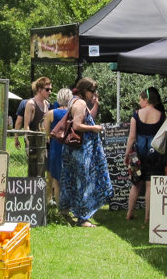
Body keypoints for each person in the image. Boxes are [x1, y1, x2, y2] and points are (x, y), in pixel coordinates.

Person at [60, 78, 113, 227]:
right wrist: (94, 129)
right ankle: (83, 218)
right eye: (92, 91)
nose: (94, 94)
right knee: (84, 181)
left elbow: (88, 118)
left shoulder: (74, 101)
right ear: (84, 90)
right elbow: (77, 126)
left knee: (71, 180)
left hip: (73, 149)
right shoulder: (81, 103)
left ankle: (66, 212)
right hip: (80, 149)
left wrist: (96, 103)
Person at [124, 87, 166, 221]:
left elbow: (131, 137)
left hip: (138, 154)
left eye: (140, 100)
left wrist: (126, 154)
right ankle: (148, 216)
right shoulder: (161, 115)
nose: (139, 102)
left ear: (146, 100)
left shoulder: (136, 115)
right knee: (150, 185)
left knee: (136, 185)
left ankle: (129, 213)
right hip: (154, 153)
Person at [44, 88, 72, 202]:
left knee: (56, 179)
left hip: (56, 148)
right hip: (70, 147)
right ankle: (68, 206)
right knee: (70, 178)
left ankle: (59, 207)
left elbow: (46, 134)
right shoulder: (73, 113)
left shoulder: (51, 114)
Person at [23, 77, 52, 178]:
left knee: (42, 172)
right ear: (39, 89)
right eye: (47, 89)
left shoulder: (46, 104)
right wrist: (28, 142)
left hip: (44, 143)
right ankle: (30, 193)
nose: (50, 92)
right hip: (33, 143)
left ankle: (40, 193)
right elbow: (26, 125)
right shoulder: (31, 104)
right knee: (33, 172)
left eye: (51, 89)